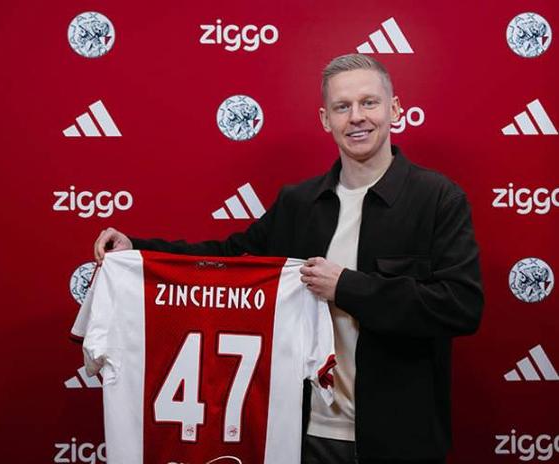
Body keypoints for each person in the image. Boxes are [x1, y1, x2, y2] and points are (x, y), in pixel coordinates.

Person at [93, 54, 484, 464]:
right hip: (302, 435)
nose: (356, 117)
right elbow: (229, 258)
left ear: (395, 109)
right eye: (342, 107)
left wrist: (346, 287)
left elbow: (461, 306)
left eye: (369, 102)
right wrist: (137, 251)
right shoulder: (299, 203)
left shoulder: (438, 199)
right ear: (325, 119)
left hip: (401, 439)